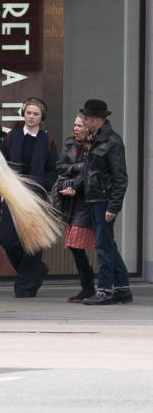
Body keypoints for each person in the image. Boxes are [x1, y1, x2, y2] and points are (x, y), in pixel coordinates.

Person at [0, 97, 57, 298]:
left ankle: (26, 286)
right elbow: (0, 163)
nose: (31, 117)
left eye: (35, 114)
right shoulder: (11, 137)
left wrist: (44, 188)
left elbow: (52, 170)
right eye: (28, 113)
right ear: (23, 114)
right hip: (13, 196)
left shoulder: (47, 141)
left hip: (36, 198)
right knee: (7, 239)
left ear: (42, 117)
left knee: (33, 244)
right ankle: (36, 270)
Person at [77, 99, 132, 305]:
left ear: (98, 119)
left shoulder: (112, 142)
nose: (85, 121)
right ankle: (123, 288)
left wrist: (113, 206)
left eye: (88, 118)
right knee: (108, 244)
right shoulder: (95, 139)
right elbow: (88, 170)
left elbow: (120, 178)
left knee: (103, 245)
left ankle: (105, 290)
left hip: (103, 199)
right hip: (95, 198)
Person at [55, 114, 95, 302]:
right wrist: (76, 166)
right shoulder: (70, 143)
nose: (76, 128)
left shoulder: (94, 147)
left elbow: (89, 172)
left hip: (86, 201)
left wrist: (75, 183)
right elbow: (60, 166)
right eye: (75, 125)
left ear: (88, 128)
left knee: (79, 244)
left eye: (80, 125)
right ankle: (88, 287)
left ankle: (92, 287)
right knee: (74, 246)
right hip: (70, 201)